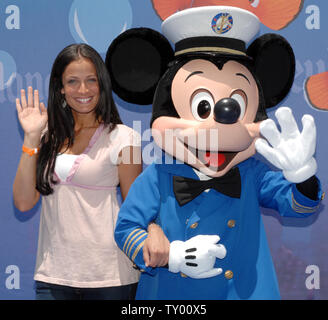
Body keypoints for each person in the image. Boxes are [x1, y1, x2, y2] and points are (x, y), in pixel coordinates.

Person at [13, 43, 143, 300]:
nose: (82, 90)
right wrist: (31, 138)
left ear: (102, 84)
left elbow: (136, 208)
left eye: (91, 80)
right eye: (72, 81)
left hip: (110, 276)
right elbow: (24, 202)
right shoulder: (46, 136)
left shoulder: (125, 138)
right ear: (60, 87)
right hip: (54, 275)